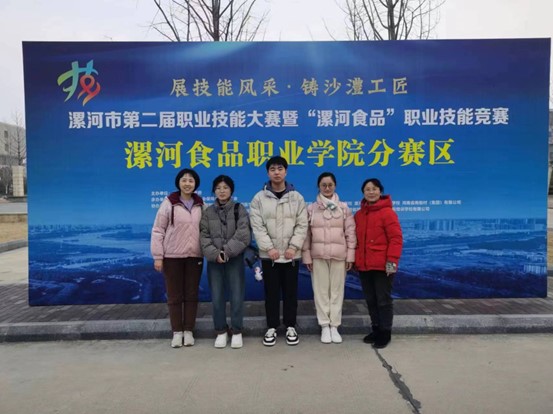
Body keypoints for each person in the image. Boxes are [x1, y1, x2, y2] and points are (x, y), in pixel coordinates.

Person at [249, 156, 308, 346]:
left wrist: (293, 246)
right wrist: (269, 248)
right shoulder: (259, 198)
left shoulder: (297, 197)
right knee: (271, 293)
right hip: (270, 256)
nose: (277, 172)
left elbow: (302, 224)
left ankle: (290, 326)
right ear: (268, 173)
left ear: (286, 171)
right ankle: (272, 327)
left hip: (291, 255)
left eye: (280, 168)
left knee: (291, 293)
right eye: (273, 169)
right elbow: (257, 226)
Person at [151, 168, 204, 349]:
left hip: (194, 256)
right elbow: (158, 230)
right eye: (184, 180)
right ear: (178, 183)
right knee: (174, 296)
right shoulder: (169, 203)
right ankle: (177, 332)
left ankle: (188, 330)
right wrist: (158, 256)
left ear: (195, 184)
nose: (187, 183)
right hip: (172, 256)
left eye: (191, 180)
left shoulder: (200, 204)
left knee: (191, 295)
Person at [302, 172, 356, 344]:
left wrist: (350, 256)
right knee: (320, 292)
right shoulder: (311, 209)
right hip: (318, 256)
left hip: (339, 256)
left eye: (330, 185)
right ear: (318, 186)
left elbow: (350, 233)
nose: (327, 188)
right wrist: (307, 256)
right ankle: (324, 325)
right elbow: (306, 235)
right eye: (323, 185)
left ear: (335, 186)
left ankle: (335, 326)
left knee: (337, 292)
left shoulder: (344, 208)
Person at [200, 175, 251, 349]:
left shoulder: (239, 209)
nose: (222, 191)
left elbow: (244, 234)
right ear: (214, 191)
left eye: (225, 187)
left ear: (231, 190)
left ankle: (236, 331)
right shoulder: (208, 212)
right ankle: (221, 331)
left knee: (236, 296)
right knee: (217, 297)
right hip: (214, 261)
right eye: (218, 188)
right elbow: (204, 236)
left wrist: (227, 251)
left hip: (234, 259)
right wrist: (215, 254)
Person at [354, 178, 403, 349]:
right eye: (367, 189)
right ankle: (375, 329)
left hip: (383, 266)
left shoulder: (388, 213)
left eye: (374, 189)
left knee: (383, 300)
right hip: (364, 265)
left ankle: (385, 332)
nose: (371, 192)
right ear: (363, 192)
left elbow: (396, 239)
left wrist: (392, 263)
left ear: (380, 191)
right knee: (370, 299)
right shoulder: (359, 215)